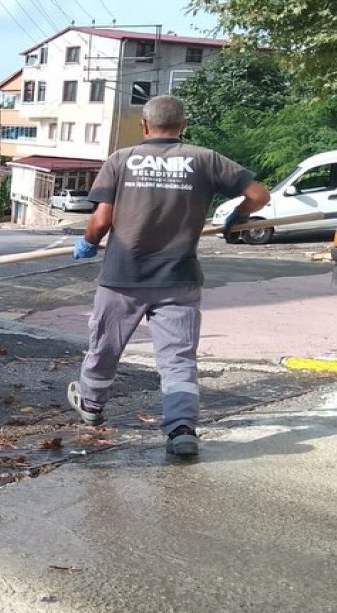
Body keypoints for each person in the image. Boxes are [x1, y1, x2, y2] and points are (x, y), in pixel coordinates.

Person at [68, 95, 270, 457]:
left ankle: (92, 408)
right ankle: (181, 429)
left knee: (105, 348)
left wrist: (88, 242)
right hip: (179, 277)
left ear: (144, 126)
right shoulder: (204, 159)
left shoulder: (121, 160)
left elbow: (100, 220)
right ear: (184, 125)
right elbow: (258, 195)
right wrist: (237, 216)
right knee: (177, 358)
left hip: (122, 277)